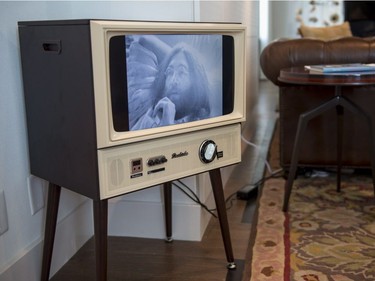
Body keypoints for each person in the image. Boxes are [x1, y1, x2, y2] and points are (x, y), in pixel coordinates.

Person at [127, 36, 211, 130]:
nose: (173, 81)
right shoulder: (145, 103)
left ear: (195, 82)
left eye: (182, 72)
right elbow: (144, 41)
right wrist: (179, 52)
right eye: (170, 72)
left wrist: (167, 125)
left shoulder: (200, 125)